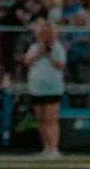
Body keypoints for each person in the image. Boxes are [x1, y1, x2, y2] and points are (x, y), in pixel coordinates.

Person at [24, 21, 67, 158]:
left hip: (52, 88)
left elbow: (61, 65)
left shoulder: (57, 48)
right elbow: (27, 61)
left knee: (51, 119)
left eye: (47, 33)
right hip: (37, 89)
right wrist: (39, 52)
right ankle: (46, 147)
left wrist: (49, 54)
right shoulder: (34, 47)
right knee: (40, 119)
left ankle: (54, 148)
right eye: (42, 33)